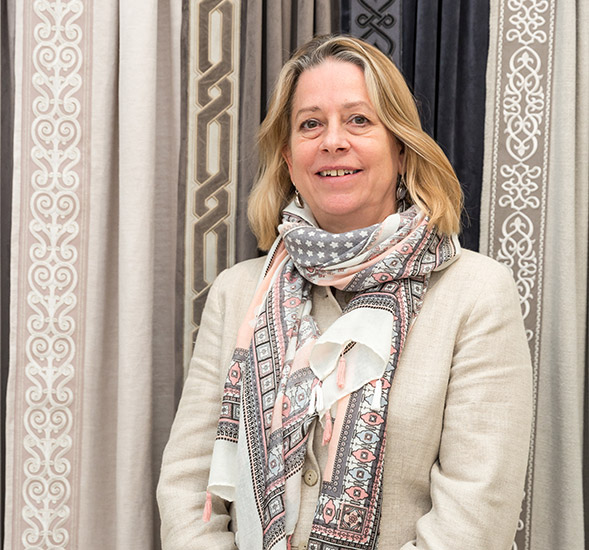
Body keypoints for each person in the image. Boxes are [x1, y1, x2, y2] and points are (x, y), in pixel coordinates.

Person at [157, 35, 532, 550]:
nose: (333, 141)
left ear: (401, 150)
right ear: (289, 160)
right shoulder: (236, 292)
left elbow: (476, 516)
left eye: (359, 120)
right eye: (311, 124)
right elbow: (187, 486)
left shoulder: (477, 294)